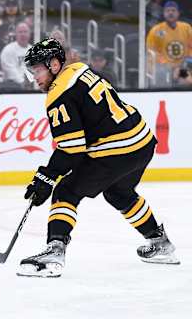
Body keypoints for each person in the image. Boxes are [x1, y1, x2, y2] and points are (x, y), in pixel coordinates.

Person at [18, 38, 180, 278]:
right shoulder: (79, 69)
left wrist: (46, 178)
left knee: (66, 191)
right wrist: (48, 174)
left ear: (53, 64)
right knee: (119, 193)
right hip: (142, 142)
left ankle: (54, 253)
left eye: (37, 70)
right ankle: (161, 244)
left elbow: (72, 148)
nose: (34, 78)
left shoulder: (58, 95)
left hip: (117, 148)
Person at [146, 0, 192, 87]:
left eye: (173, 10)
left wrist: (184, 64)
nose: (170, 13)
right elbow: (151, 53)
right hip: (162, 69)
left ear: (178, 13)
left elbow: (191, 49)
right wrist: (168, 66)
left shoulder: (186, 28)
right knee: (164, 83)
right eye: (168, 10)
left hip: (182, 67)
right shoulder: (156, 31)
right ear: (163, 13)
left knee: (188, 81)